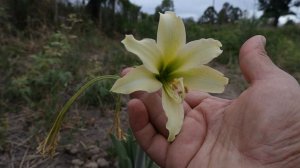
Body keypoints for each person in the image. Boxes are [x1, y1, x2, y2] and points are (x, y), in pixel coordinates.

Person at [125, 35, 300, 168]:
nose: (180, 88)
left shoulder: (175, 86)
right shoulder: (171, 85)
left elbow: (213, 82)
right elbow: (134, 72)